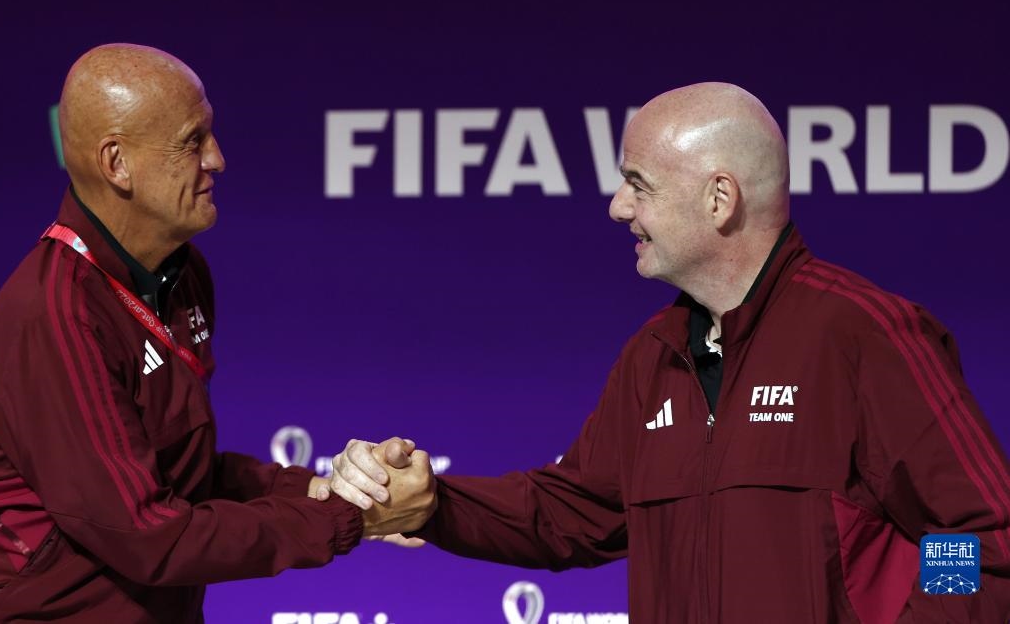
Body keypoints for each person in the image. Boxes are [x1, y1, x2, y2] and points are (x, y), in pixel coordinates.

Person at [333, 83, 1010, 622]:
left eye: (639, 183)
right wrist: (433, 503)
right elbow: (573, 513)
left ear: (719, 199)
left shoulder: (863, 333)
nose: (617, 206)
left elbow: (979, 537)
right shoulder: (651, 353)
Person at [0, 44, 436, 622]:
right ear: (117, 163)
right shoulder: (53, 316)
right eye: (192, 141)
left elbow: (187, 474)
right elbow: (149, 535)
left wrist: (333, 489)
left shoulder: (181, 272)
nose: (217, 159)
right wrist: (349, 517)